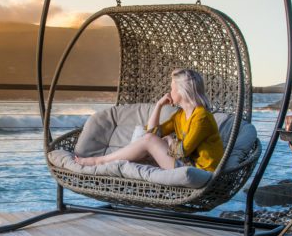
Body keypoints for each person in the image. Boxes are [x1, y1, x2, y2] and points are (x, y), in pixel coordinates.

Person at [74, 68, 225, 171]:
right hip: (185, 164)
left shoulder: (201, 116)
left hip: (200, 170)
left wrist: (169, 141)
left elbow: (182, 152)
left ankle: (99, 161)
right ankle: (107, 165)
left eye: (172, 88)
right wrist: (158, 106)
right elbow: (151, 133)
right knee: (149, 141)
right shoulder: (179, 116)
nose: (169, 92)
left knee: (150, 141)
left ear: (182, 91)